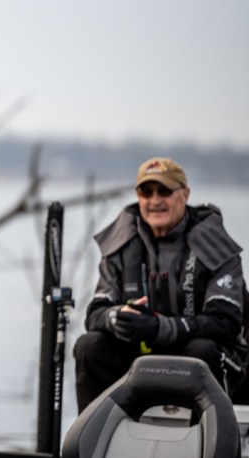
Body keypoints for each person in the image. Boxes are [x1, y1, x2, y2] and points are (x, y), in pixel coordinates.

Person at [73, 156, 247, 412]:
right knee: (89, 345)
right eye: (147, 192)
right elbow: (95, 315)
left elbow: (225, 324)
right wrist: (118, 318)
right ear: (139, 197)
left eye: (164, 191)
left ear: (185, 194)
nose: (155, 201)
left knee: (202, 351)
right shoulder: (122, 243)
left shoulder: (216, 245)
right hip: (140, 362)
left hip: (205, 359)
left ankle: (211, 432)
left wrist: (159, 327)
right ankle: (97, 433)